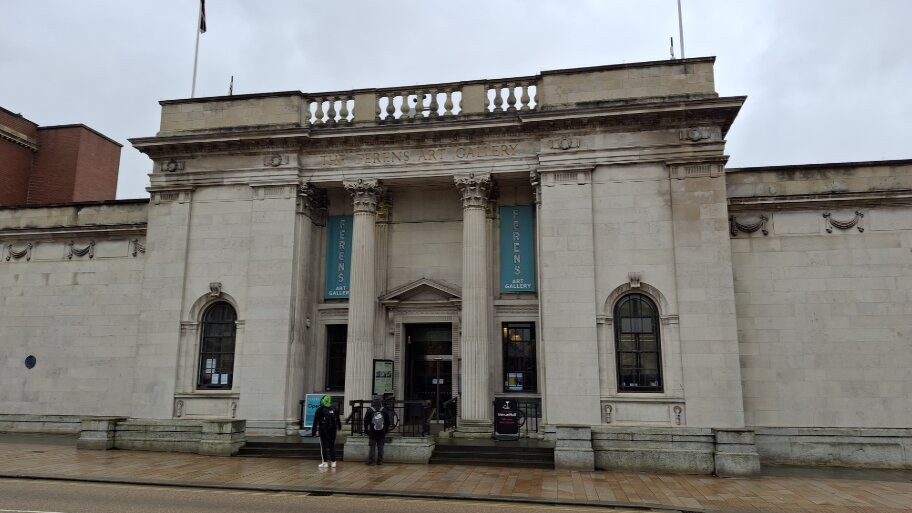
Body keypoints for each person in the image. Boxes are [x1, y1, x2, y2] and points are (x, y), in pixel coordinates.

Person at [311, 395, 341, 468]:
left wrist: (313, 432)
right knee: (332, 446)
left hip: (323, 430)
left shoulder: (319, 409)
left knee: (324, 447)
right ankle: (333, 462)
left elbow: (315, 421)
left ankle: (325, 463)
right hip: (333, 430)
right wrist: (339, 426)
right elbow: (337, 419)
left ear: (322, 401)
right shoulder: (334, 409)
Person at [363, 395, 391, 465]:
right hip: (382, 431)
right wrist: (386, 430)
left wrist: (366, 429)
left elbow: (366, 421)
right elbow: (388, 422)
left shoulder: (370, 410)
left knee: (372, 446)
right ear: (380, 402)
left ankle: (371, 461)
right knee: (380, 446)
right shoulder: (384, 410)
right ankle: (380, 461)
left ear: (373, 402)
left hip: (372, 431)